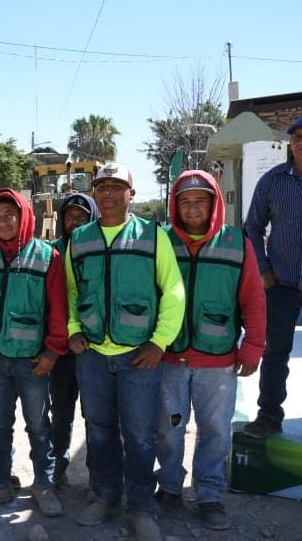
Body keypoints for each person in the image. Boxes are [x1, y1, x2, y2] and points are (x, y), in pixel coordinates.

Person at [66, 162, 185, 541]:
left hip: (139, 357)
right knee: (99, 431)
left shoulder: (152, 236)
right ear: (94, 193)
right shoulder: (79, 239)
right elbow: (70, 291)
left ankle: (141, 507)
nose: (109, 193)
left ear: (131, 194)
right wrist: (73, 330)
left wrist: (159, 341)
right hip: (93, 355)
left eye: (117, 186)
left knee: (139, 435)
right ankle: (105, 497)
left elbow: (174, 291)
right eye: (102, 186)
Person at [155, 171, 266, 531]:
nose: (192, 208)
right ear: (175, 206)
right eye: (185, 201)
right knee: (169, 428)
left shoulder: (238, 243)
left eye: (200, 200)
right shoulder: (161, 241)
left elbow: (253, 299)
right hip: (169, 358)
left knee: (215, 430)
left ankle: (209, 495)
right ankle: (169, 487)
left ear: (214, 203)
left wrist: (253, 347)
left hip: (217, 360)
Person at [0, 188, 67, 517]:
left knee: (38, 426)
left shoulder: (46, 256)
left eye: (11, 215)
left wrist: (52, 351)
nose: (4, 221)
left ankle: (44, 485)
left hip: (32, 361)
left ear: (24, 217)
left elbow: (59, 309)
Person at [243, 115, 302, 439]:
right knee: (276, 353)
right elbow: (252, 226)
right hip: (282, 284)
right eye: (298, 137)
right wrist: (263, 270)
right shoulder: (272, 181)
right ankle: (268, 415)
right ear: (291, 143)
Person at [49, 193, 98, 488]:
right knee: (61, 413)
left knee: (95, 415)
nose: (75, 221)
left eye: (82, 216)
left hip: (92, 348)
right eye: (70, 216)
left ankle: (97, 475)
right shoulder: (51, 252)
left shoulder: (99, 249)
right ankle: (57, 469)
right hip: (61, 350)